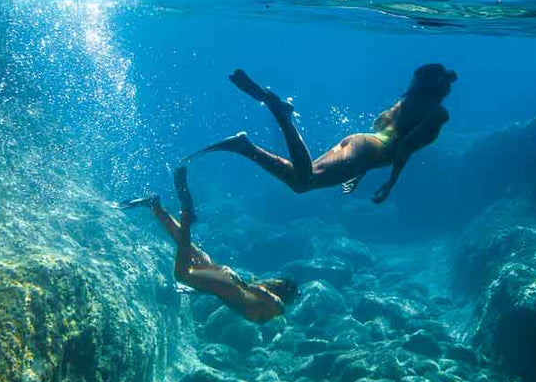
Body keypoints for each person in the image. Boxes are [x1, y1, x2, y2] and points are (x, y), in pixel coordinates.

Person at [187, 63, 456, 204]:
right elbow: (405, 146)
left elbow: (383, 135)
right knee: (304, 182)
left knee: (300, 179)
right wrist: (390, 183)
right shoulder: (437, 113)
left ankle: (245, 145)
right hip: (369, 150)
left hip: (358, 143)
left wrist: (359, 172)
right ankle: (281, 117)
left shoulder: (405, 102)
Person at [121, 166, 297, 324]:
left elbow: (232, 295)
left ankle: (154, 205)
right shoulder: (277, 307)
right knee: (182, 273)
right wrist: (244, 286)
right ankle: (187, 216)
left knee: (185, 245)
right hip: (228, 285)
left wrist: (199, 289)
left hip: (224, 281)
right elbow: (268, 297)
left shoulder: (267, 305)